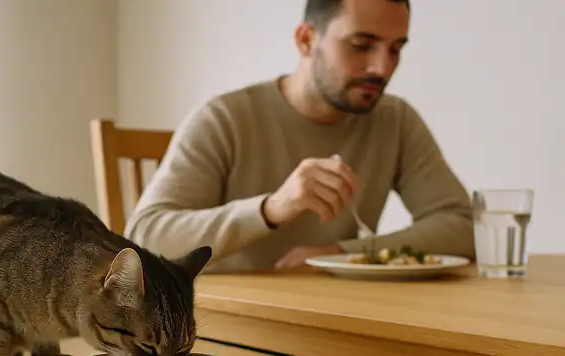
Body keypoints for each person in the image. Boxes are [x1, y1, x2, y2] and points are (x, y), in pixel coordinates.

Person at [124, 0, 475, 272]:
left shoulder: (395, 121)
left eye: (395, 49)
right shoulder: (224, 119)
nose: (382, 68)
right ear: (306, 40)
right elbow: (146, 237)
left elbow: (464, 227)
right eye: (361, 45)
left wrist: (343, 255)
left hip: (341, 319)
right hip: (232, 334)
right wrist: (271, 208)